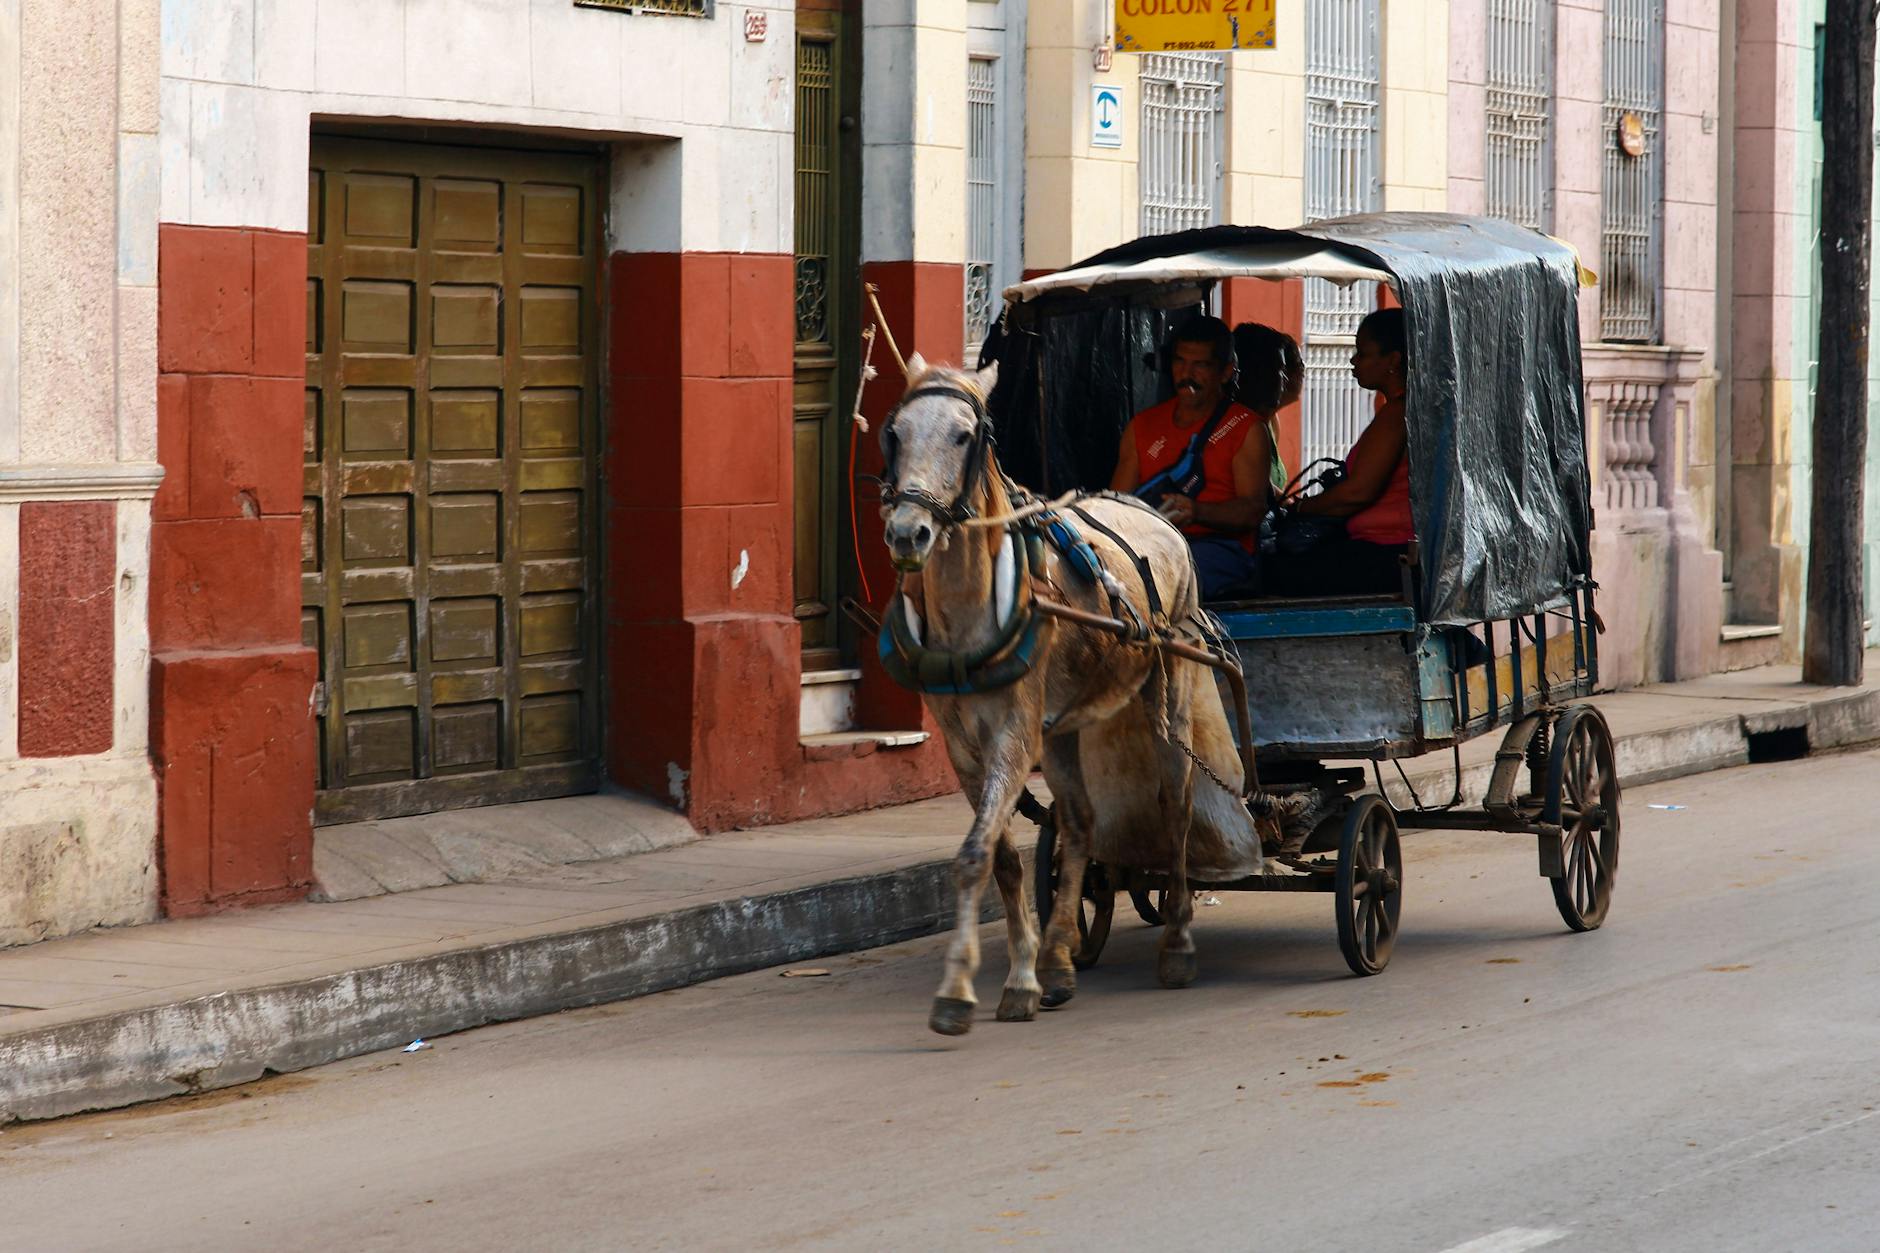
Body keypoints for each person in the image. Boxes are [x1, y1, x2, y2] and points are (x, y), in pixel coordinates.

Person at [1109, 316, 1274, 599]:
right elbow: (1116, 503)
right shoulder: (1143, 426)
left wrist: (1197, 511)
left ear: (1225, 372)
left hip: (1221, 550)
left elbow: (1252, 510)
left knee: (1156, 582)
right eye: (1180, 362)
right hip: (1149, 544)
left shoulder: (1246, 428)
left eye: (1200, 365)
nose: (1187, 374)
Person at [1266, 307, 1414, 597]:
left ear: (1393, 361)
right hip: (1380, 547)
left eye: (1363, 353)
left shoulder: (1397, 414)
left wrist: (1298, 509)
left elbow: (1358, 492)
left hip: (1385, 552)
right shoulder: (1397, 411)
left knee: (1270, 574)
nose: (1353, 360)